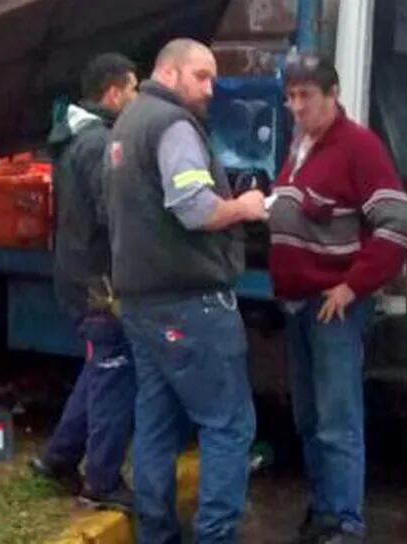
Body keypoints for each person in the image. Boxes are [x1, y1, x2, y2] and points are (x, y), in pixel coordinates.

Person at [105, 38, 267, 543]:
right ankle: (216, 536)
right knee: (228, 426)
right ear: (169, 73)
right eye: (202, 76)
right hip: (190, 303)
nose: (211, 88)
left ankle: (155, 534)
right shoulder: (173, 126)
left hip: (141, 302)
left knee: (155, 423)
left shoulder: (127, 123)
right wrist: (245, 207)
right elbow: (194, 207)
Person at [267, 53, 407, 543]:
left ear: (333, 96)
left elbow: (397, 225)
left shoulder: (360, 148)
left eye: (306, 96)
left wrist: (353, 285)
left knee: (337, 417)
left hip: (333, 307)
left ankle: (347, 522)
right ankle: (324, 511)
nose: (296, 106)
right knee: (309, 417)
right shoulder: (302, 144)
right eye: (290, 97)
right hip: (298, 303)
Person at [30, 52, 138, 512]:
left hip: (80, 274)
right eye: (133, 90)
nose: (137, 100)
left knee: (100, 366)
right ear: (113, 93)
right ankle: (103, 481)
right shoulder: (100, 145)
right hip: (100, 283)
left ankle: (58, 458)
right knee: (115, 373)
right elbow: (110, 212)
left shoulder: (78, 136)